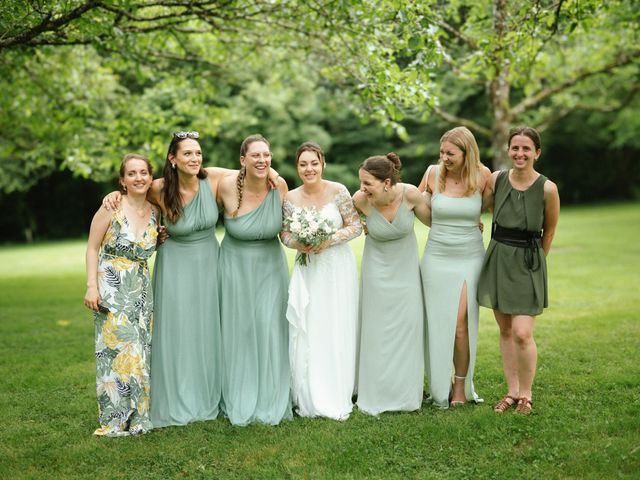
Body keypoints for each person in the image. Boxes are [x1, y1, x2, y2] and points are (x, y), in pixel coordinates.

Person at [102, 131, 236, 427]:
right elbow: (130, 192)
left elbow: (254, 169)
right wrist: (112, 194)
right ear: (172, 159)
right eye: (187, 153)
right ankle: (175, 394)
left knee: (207, 327)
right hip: (175, 264)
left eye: (198, 153)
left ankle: (208, 392)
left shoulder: (212, 178)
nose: (194, 158)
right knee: (177, 328)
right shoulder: (159, 188)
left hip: (209, 262)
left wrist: (273, 173)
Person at [478, 126, 560, 415]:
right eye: (515, 148)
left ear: (537, 152)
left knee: (523, 333)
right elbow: (480, 206)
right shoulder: (497, 179)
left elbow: (549, 231)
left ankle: (527, 394)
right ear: (508, 150)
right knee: (505, 330)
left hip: (529, 261)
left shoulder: (547, 188)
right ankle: (512, 391)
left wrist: (537, 263)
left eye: (526, 148)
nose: (520, 153)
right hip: (499, 255)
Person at [280, 141, 362, 420]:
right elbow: (285, 235)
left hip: (337, 267)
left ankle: (339, 387)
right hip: (309, 269)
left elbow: (355, 226)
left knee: (336, 323)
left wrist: (328, 239)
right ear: (297, 167)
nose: (309, 168)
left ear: (322, 163)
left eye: (313, 163)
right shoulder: (290, 197)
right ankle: (309, 391)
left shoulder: (339, 191)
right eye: (303, 164)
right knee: (310, 325)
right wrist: (299, 243)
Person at [217, 134, 291, 426]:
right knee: (240, 330)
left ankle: (272, 392)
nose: (262, 160)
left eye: (266, 155)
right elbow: (184, 181)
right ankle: (238, 389)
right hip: (234, 267)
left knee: (270, 326)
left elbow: (288, 228)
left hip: (271, 268)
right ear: (242, 160)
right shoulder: (224, 185)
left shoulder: (280, 186)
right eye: (256, 155)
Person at [84, 153, 159, 436]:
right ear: (122, 180)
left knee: (140, 349)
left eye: (143, 173)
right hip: (112, 286)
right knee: (115, 350)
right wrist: (92, 286)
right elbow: (92, 247)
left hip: (141, 288)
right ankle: (115, 417)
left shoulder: (155, 211)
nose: (138, 178)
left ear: (151, 178)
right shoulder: (111, 206)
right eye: (132, 173)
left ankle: (139, 415)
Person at [418, 126, 492, 408]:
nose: (444, 157)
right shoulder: (432, 174)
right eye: (442, 152)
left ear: (467, 152)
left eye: (450, 153)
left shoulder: (483, 176)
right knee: (437, 324)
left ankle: (460, 385)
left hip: (470, 257)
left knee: (461, 325)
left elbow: (487, 207)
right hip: (436, 256)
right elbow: (417, 207)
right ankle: (439, 384)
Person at [353, 152, 430, 415]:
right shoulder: (360, 201)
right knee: (376, 331)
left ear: (386, 182)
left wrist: (466, 225)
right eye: (361, 183)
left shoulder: (409, 195)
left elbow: (434, 222)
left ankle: (406, 392)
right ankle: (375, 389)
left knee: (407, 328)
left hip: (406, 273)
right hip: (376, 273)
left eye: (367, 183)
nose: (362, 189)